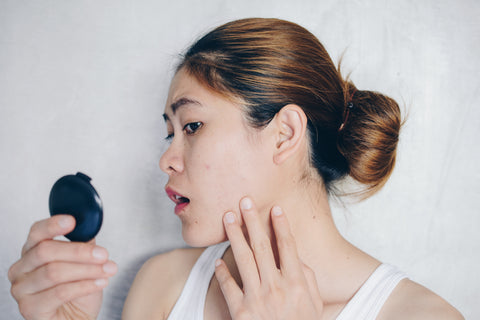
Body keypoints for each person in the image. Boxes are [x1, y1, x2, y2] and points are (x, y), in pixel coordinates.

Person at [8, 18, 463, 320]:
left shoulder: (421, 315)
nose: (165, 158)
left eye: (192, 125)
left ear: (284, 134)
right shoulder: (164, 286)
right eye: (170, 132)